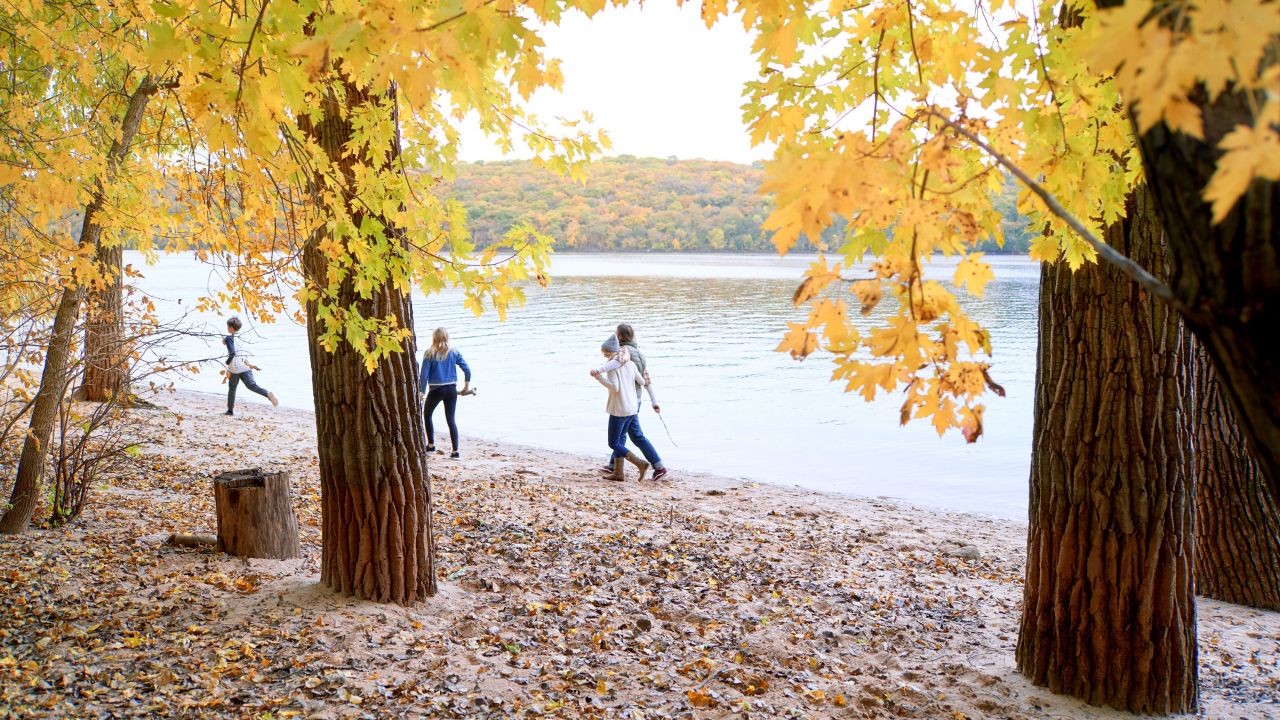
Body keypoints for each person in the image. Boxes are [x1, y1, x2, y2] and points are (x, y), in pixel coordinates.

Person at [595, 323, 668, 481]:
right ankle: (615, 467)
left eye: (616, 334)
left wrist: (599, 372)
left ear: (620, 336)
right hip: (635, 400)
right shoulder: (640, 354)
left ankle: (658, 466)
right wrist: (654, 401)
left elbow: (616, 365)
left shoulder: (623, 353)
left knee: (634, 435)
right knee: (622, 435)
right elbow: (646, 380)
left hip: (626, 399)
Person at [591, 335, 649, 482]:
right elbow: (642, 381)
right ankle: (618, 473)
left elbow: (615, 388)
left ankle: (640, 464)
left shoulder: (612, 368)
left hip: (619, 409)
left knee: (613, 443)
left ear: (611, 352)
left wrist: (599, 378)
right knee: (620, 441)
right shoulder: (630, 364)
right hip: (633, 407)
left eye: (605, 352)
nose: (604, 355)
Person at [419, 327, 471, 459]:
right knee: (451, 419)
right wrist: (466, 385)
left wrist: (421, 391)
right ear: (446, 337)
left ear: (434, 338)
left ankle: (431, 446)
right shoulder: (454, 352)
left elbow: (424, 375)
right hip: (451, 390)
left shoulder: (429, 353)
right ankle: (455, 452)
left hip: (436, 390)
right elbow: (467, 369)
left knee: (427, 414)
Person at [223, 316, 278, 416]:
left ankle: (230, 411)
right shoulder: (241, 339)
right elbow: (241, 354)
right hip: (244, 367)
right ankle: (267, 394)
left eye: (228, 326)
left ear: (231, 328)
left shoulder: (229, 338)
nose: (227, 327)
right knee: (252, 386)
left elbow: (232, 354)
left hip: (234, 369)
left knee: (232, 388)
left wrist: (226, 364)